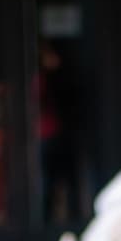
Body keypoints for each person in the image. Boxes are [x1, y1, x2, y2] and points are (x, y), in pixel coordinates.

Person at [35, 40, 80, 229]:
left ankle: (71, 218)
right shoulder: (42, 80)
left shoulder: (66, 79)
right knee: (48, 180)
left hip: (63, 135)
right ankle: (45, 220)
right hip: (47, 134)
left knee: (67, 180)